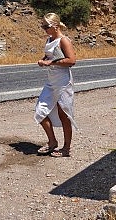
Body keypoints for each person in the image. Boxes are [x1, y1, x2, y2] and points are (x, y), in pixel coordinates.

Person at [34, 13, 77, 157]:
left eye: (46, 26)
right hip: (51, 81)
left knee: (64, 114)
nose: (44, 29)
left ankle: (66, 148)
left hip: (63, 82)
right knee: (40, 111)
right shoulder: (49, 39)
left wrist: (49, 63)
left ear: (56, 26)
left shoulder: (63, 41)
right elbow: (50, 55)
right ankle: (52, 142)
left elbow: (71, 61)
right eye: (43, 26)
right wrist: (43, 60)